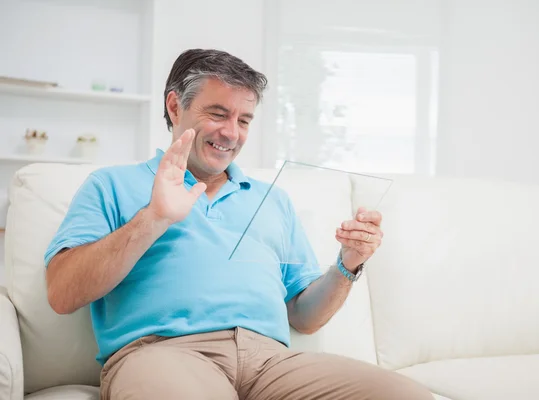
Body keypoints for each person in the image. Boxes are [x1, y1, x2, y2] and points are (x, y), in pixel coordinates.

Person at [44, 49, 433, 400]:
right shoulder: (112, 185)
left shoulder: (273, 200)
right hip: (165, 354)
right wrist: (154, 217)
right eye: (218, 113)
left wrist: (348, 264)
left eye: (243, 119)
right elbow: (62, 293)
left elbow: (304, 316)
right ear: (175, 106)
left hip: (270, 362)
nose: (231, 133)